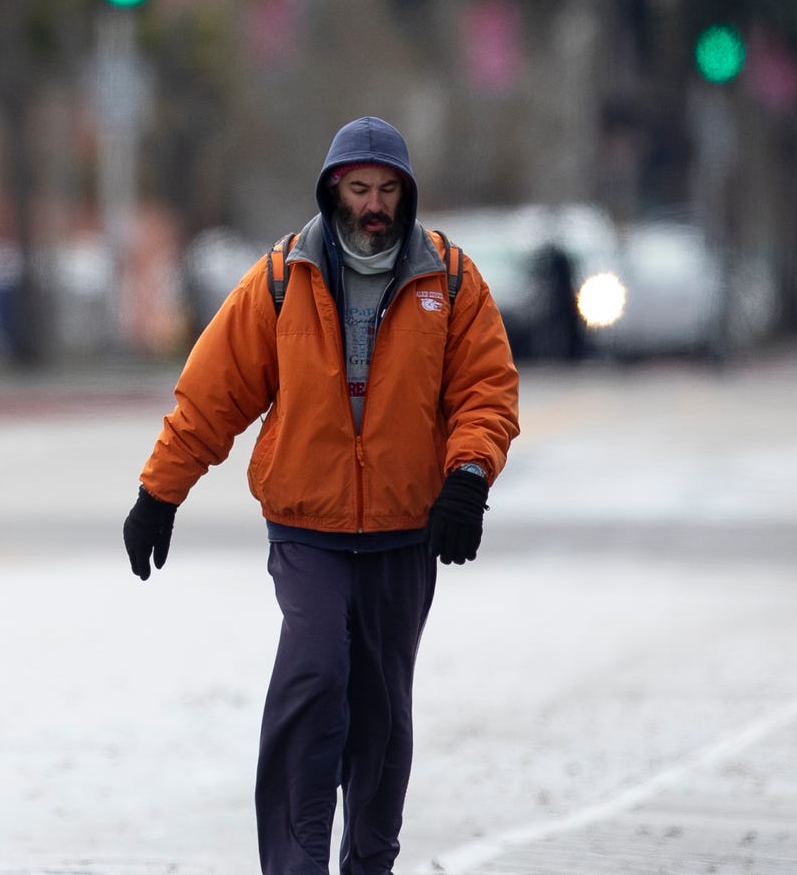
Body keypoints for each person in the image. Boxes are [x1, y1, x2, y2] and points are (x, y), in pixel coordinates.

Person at [123, 116, 521, 875]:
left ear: (407, 195)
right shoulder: (281, 277)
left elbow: (486, 393)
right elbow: (213, 394)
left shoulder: (453, 279)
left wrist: (468, 478)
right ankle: (295, 864)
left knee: (381, 711)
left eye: (387, 190)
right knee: (313, 678)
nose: (373, 204)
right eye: (359, 188)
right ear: (333, 189)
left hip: (407, 530)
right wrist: (159, 492)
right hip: (307, 526)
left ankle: (370, 860)